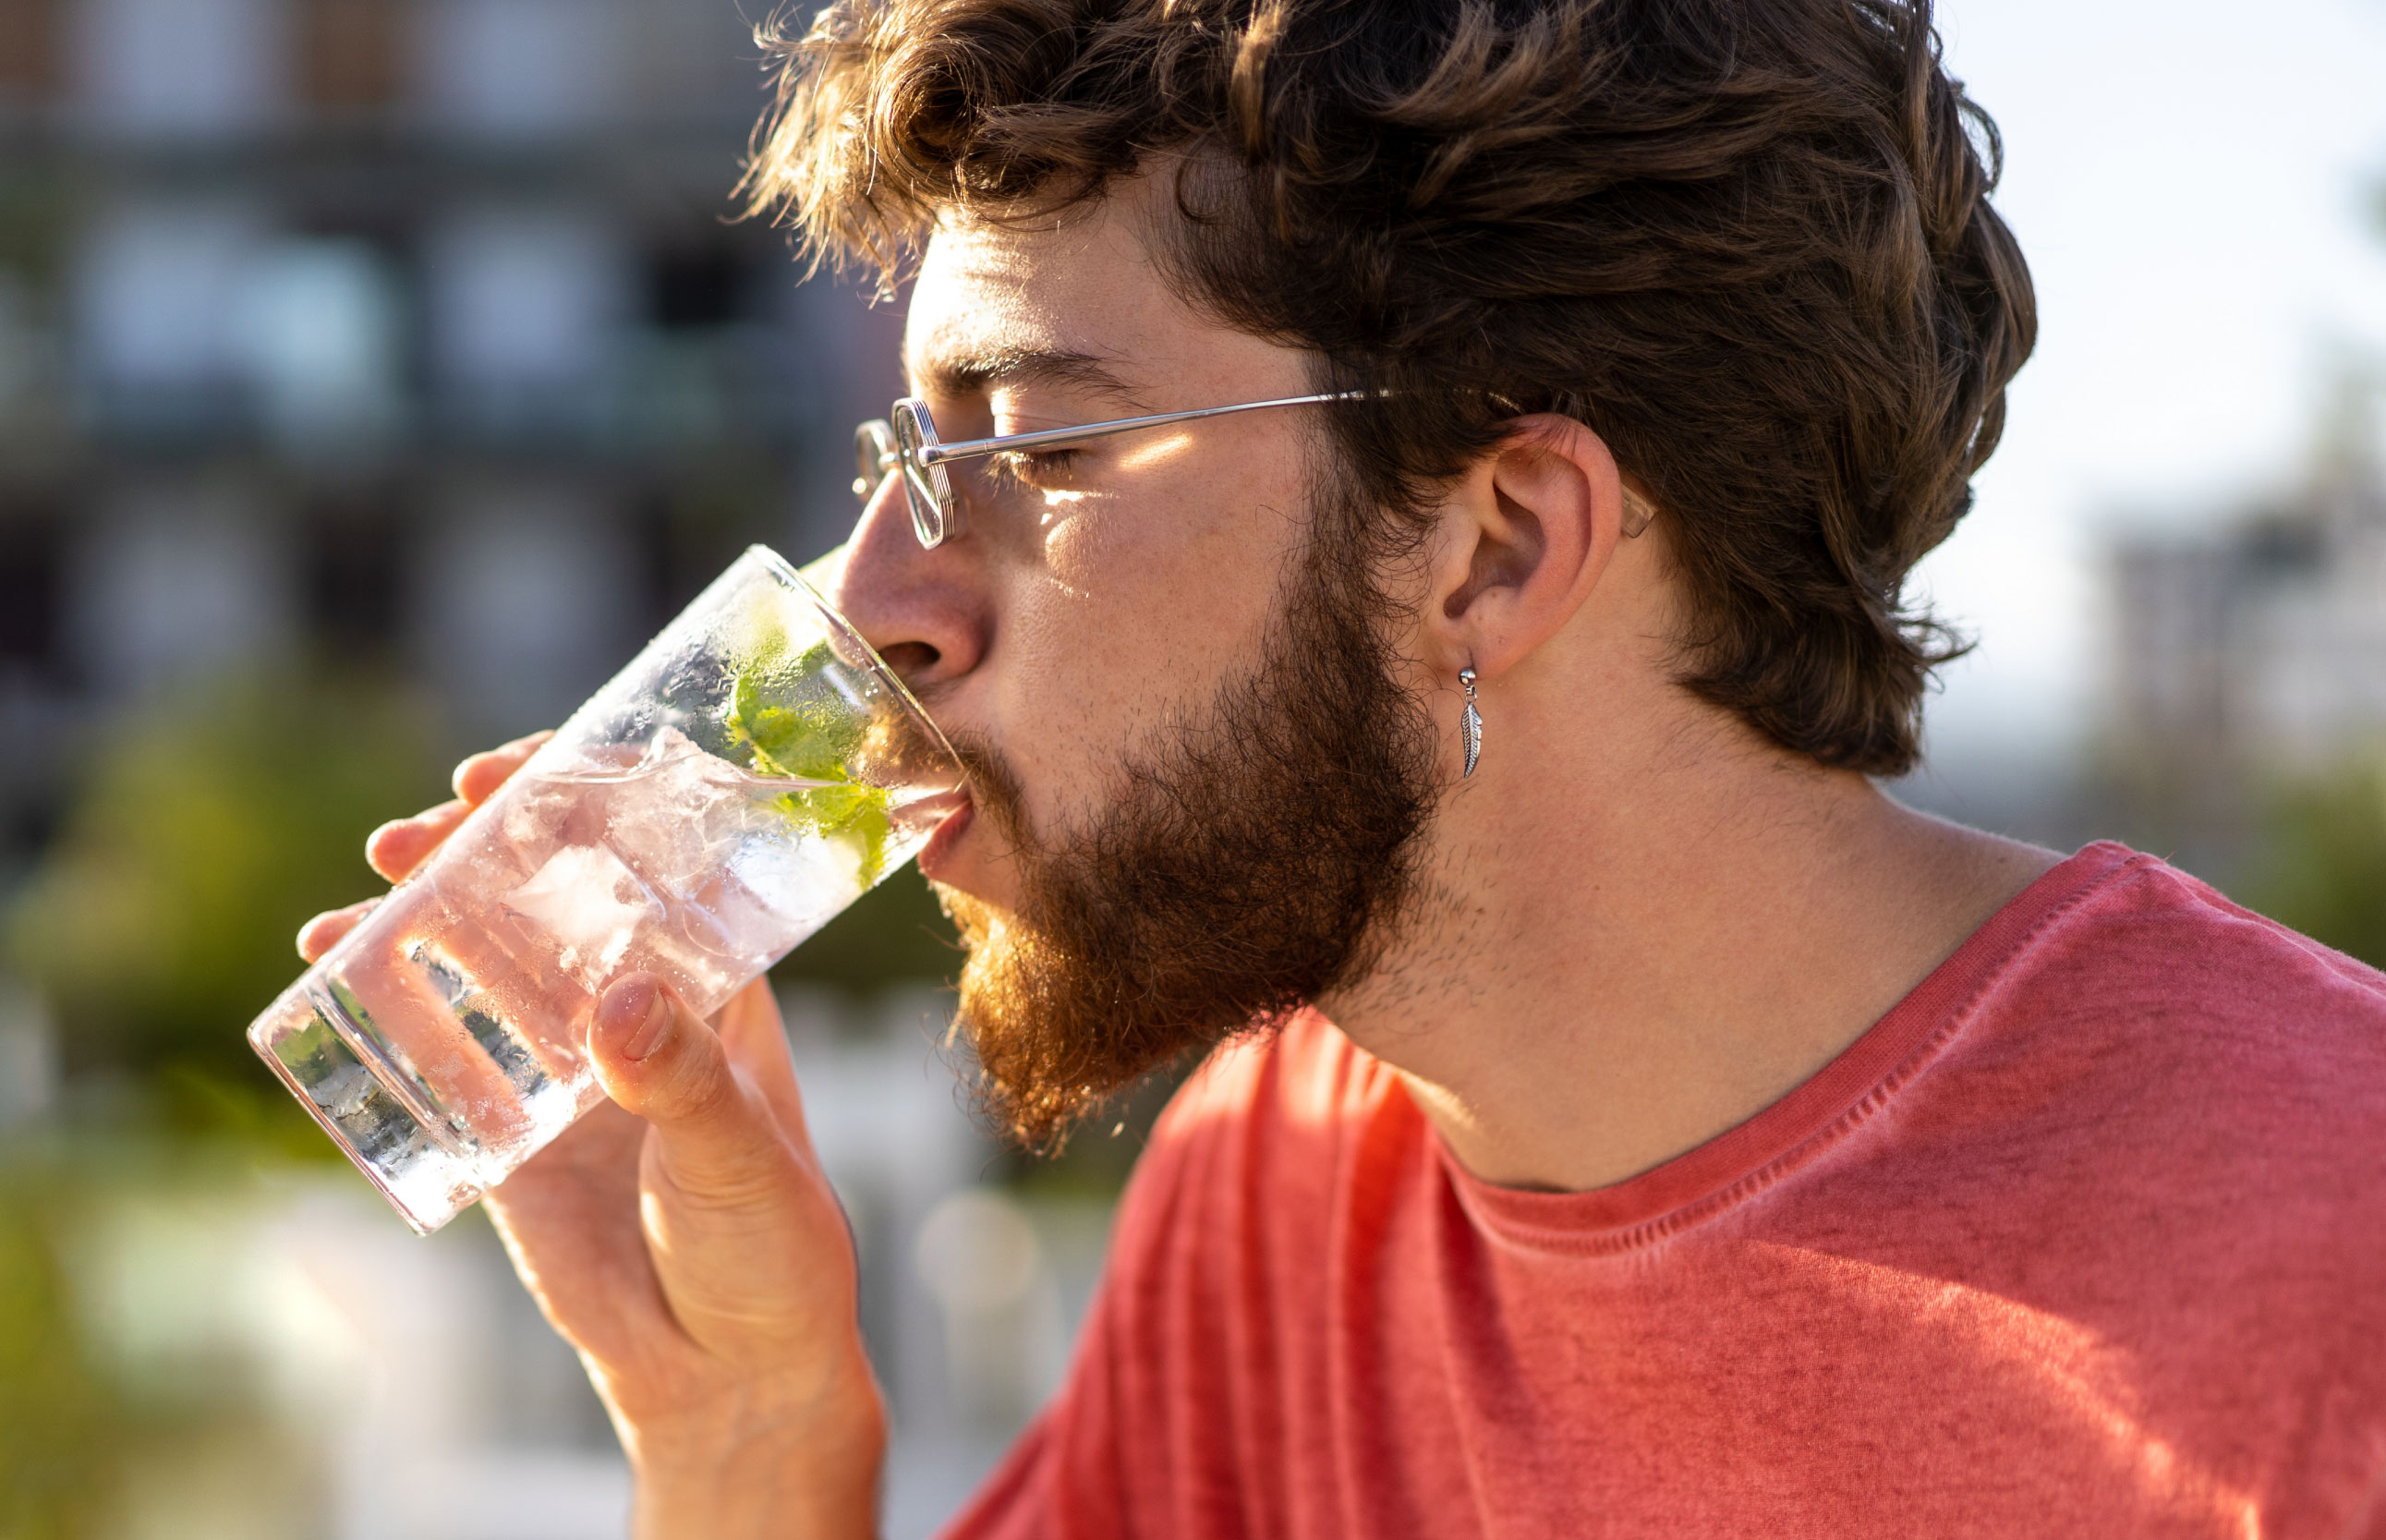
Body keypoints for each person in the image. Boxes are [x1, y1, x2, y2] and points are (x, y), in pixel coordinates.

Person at [301, 0, 2386, 1534]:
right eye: (890, 457)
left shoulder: (2318, 1284)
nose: (881, 597)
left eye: (1021, 445)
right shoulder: (1292, 1172)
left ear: (1491, 546)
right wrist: (750, 1449)